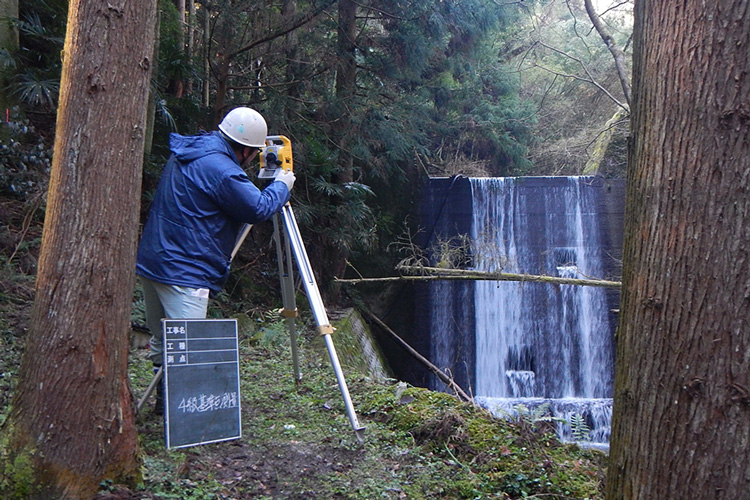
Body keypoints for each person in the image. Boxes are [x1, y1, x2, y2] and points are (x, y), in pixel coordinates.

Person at [136, 107, 295, 383]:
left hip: (155, 261)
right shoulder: (222, 170)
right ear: (246, 151)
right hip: (185, 271)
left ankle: (165, 406)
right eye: (257, 152)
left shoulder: (193, 150)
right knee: (188, 350)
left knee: (163, 339)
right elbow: (257, 208)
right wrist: (281, 185)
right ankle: (184, 416)